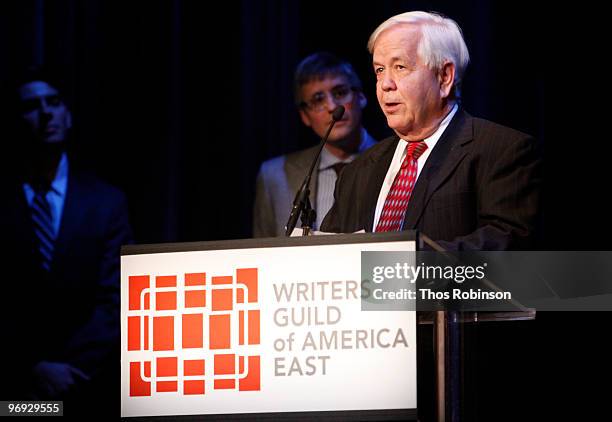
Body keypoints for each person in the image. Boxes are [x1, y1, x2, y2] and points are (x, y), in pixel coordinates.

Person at [320, 12, 541, 250]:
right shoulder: (357, 172)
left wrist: (401, 266)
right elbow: (332, 253)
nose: (385, 84)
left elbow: (506, 243)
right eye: (380, 70)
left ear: (444, 77)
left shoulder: (501, 151)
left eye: (400, 67)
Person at [0, 67, 132, 413]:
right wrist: (33, 367)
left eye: (53, 102)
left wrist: (67, 371)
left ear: (68, 115)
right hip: (14, 387)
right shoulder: (0, 204)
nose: (45, 113)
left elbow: (114, 299)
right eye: (31, 106)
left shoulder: (105, 202)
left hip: (85, 384)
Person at [253, 52, 377, 237]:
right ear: (305, 116)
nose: (331, 106)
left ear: (361, 96)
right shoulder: (274, 175)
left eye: (340, 92)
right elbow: (262, 255)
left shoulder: (399, 161)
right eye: (318, 99)